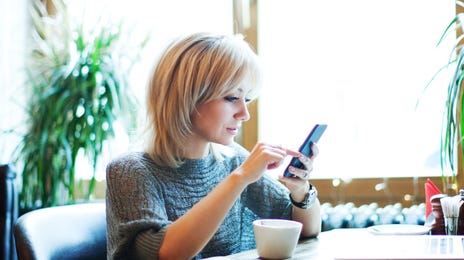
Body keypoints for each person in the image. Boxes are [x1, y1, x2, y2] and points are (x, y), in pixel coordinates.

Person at [106, 32, 321, 260]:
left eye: (246, 99)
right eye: (231, 98)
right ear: (186, 97)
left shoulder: (233, 160)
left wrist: (300, 191)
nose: (244, 114)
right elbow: (166, 253)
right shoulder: (130, 171)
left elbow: (306, 229)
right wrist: (240, 178)